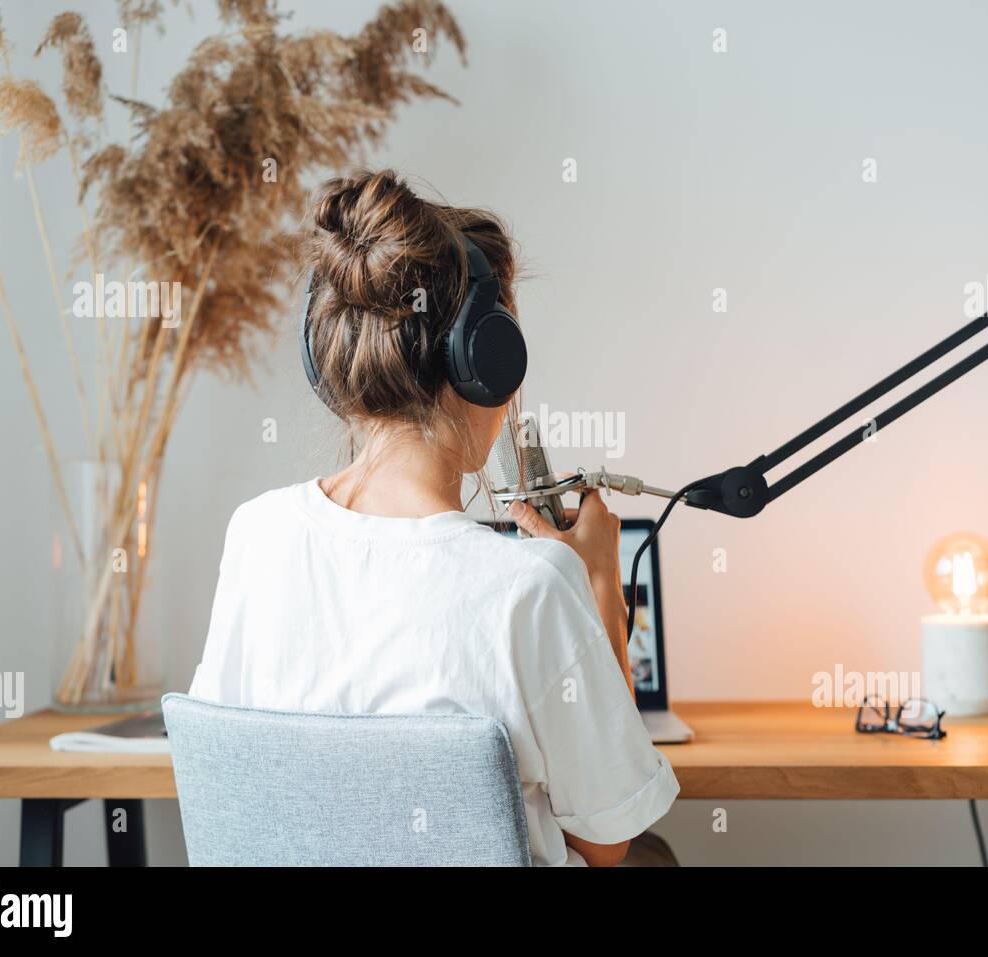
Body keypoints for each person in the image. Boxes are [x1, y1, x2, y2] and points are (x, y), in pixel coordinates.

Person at [189, 170, 679, 866]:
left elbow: (233, 789)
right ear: (485, 358)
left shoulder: (256, 538)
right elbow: (607, 835)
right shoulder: (532, 588)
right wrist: (598, 582)